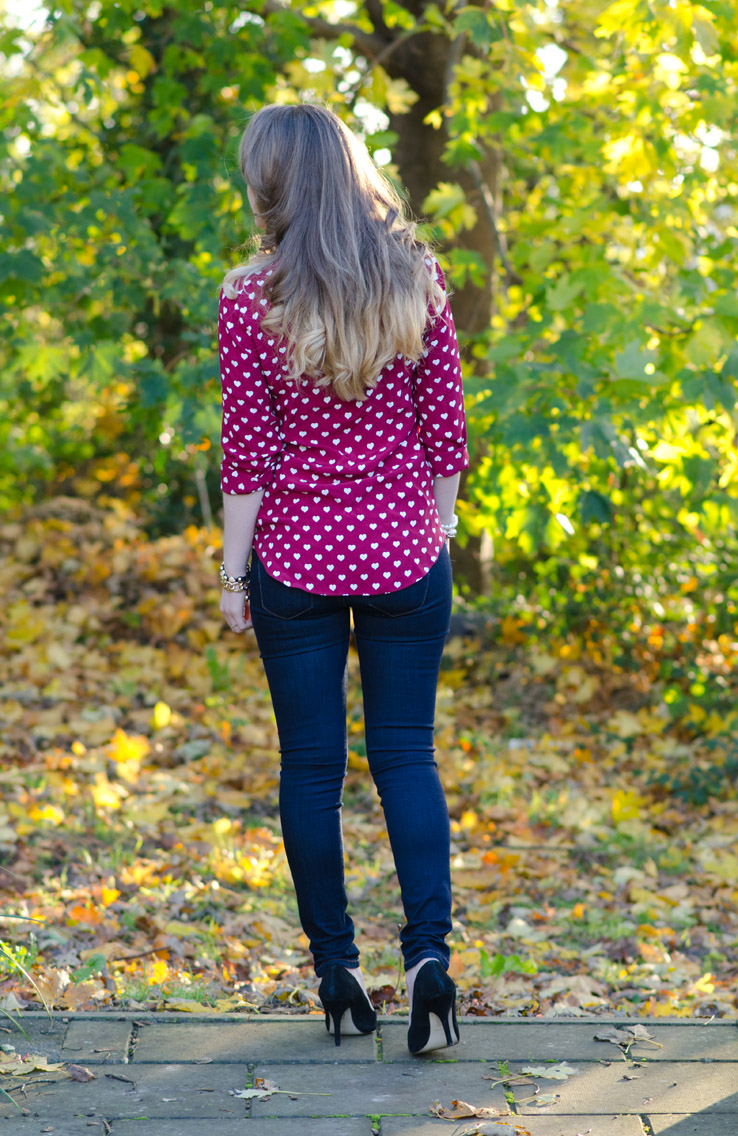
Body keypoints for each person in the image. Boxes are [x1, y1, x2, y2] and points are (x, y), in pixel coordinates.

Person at [217, 102, 469, 1055]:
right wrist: (434, 529)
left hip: (296, 561)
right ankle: (428, 964)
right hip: (407, 554)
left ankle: (336, 972)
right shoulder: (415, 278)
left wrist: (234, 581)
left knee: (311, 770)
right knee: (408, 756)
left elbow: (249, 458)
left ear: (272, 185)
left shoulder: (251, 299)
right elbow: (446, 438)